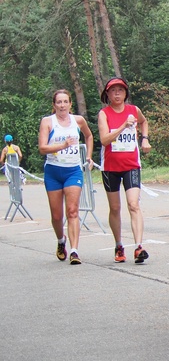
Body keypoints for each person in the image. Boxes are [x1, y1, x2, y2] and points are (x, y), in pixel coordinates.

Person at [97, 77, 151, 264]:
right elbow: (104, 140)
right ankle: (119, 244)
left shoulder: (134, 110)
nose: (117, 93)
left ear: (126, 93)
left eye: (120, 90)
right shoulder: (104, 114)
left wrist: (144, 138)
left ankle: (138, 247)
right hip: (110, 167)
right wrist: (122, 126)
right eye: (113, 91)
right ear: (108, 95)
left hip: (131, 165)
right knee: (115, 208)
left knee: (133, 204)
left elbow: (144, 122)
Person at [38, 89, 94, 265]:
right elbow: (42, 148)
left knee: (72, 211)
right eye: (59, 102)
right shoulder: (48, 122)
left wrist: (88, 157)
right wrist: (62, 145)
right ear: (54, 105)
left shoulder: (78, 120)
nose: (62, 105)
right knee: (56, 216)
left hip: (72, 171)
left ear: (70, 104)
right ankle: (61, 241)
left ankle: (75, 250)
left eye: (65, 102)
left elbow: (89, 135)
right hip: (53, 172)